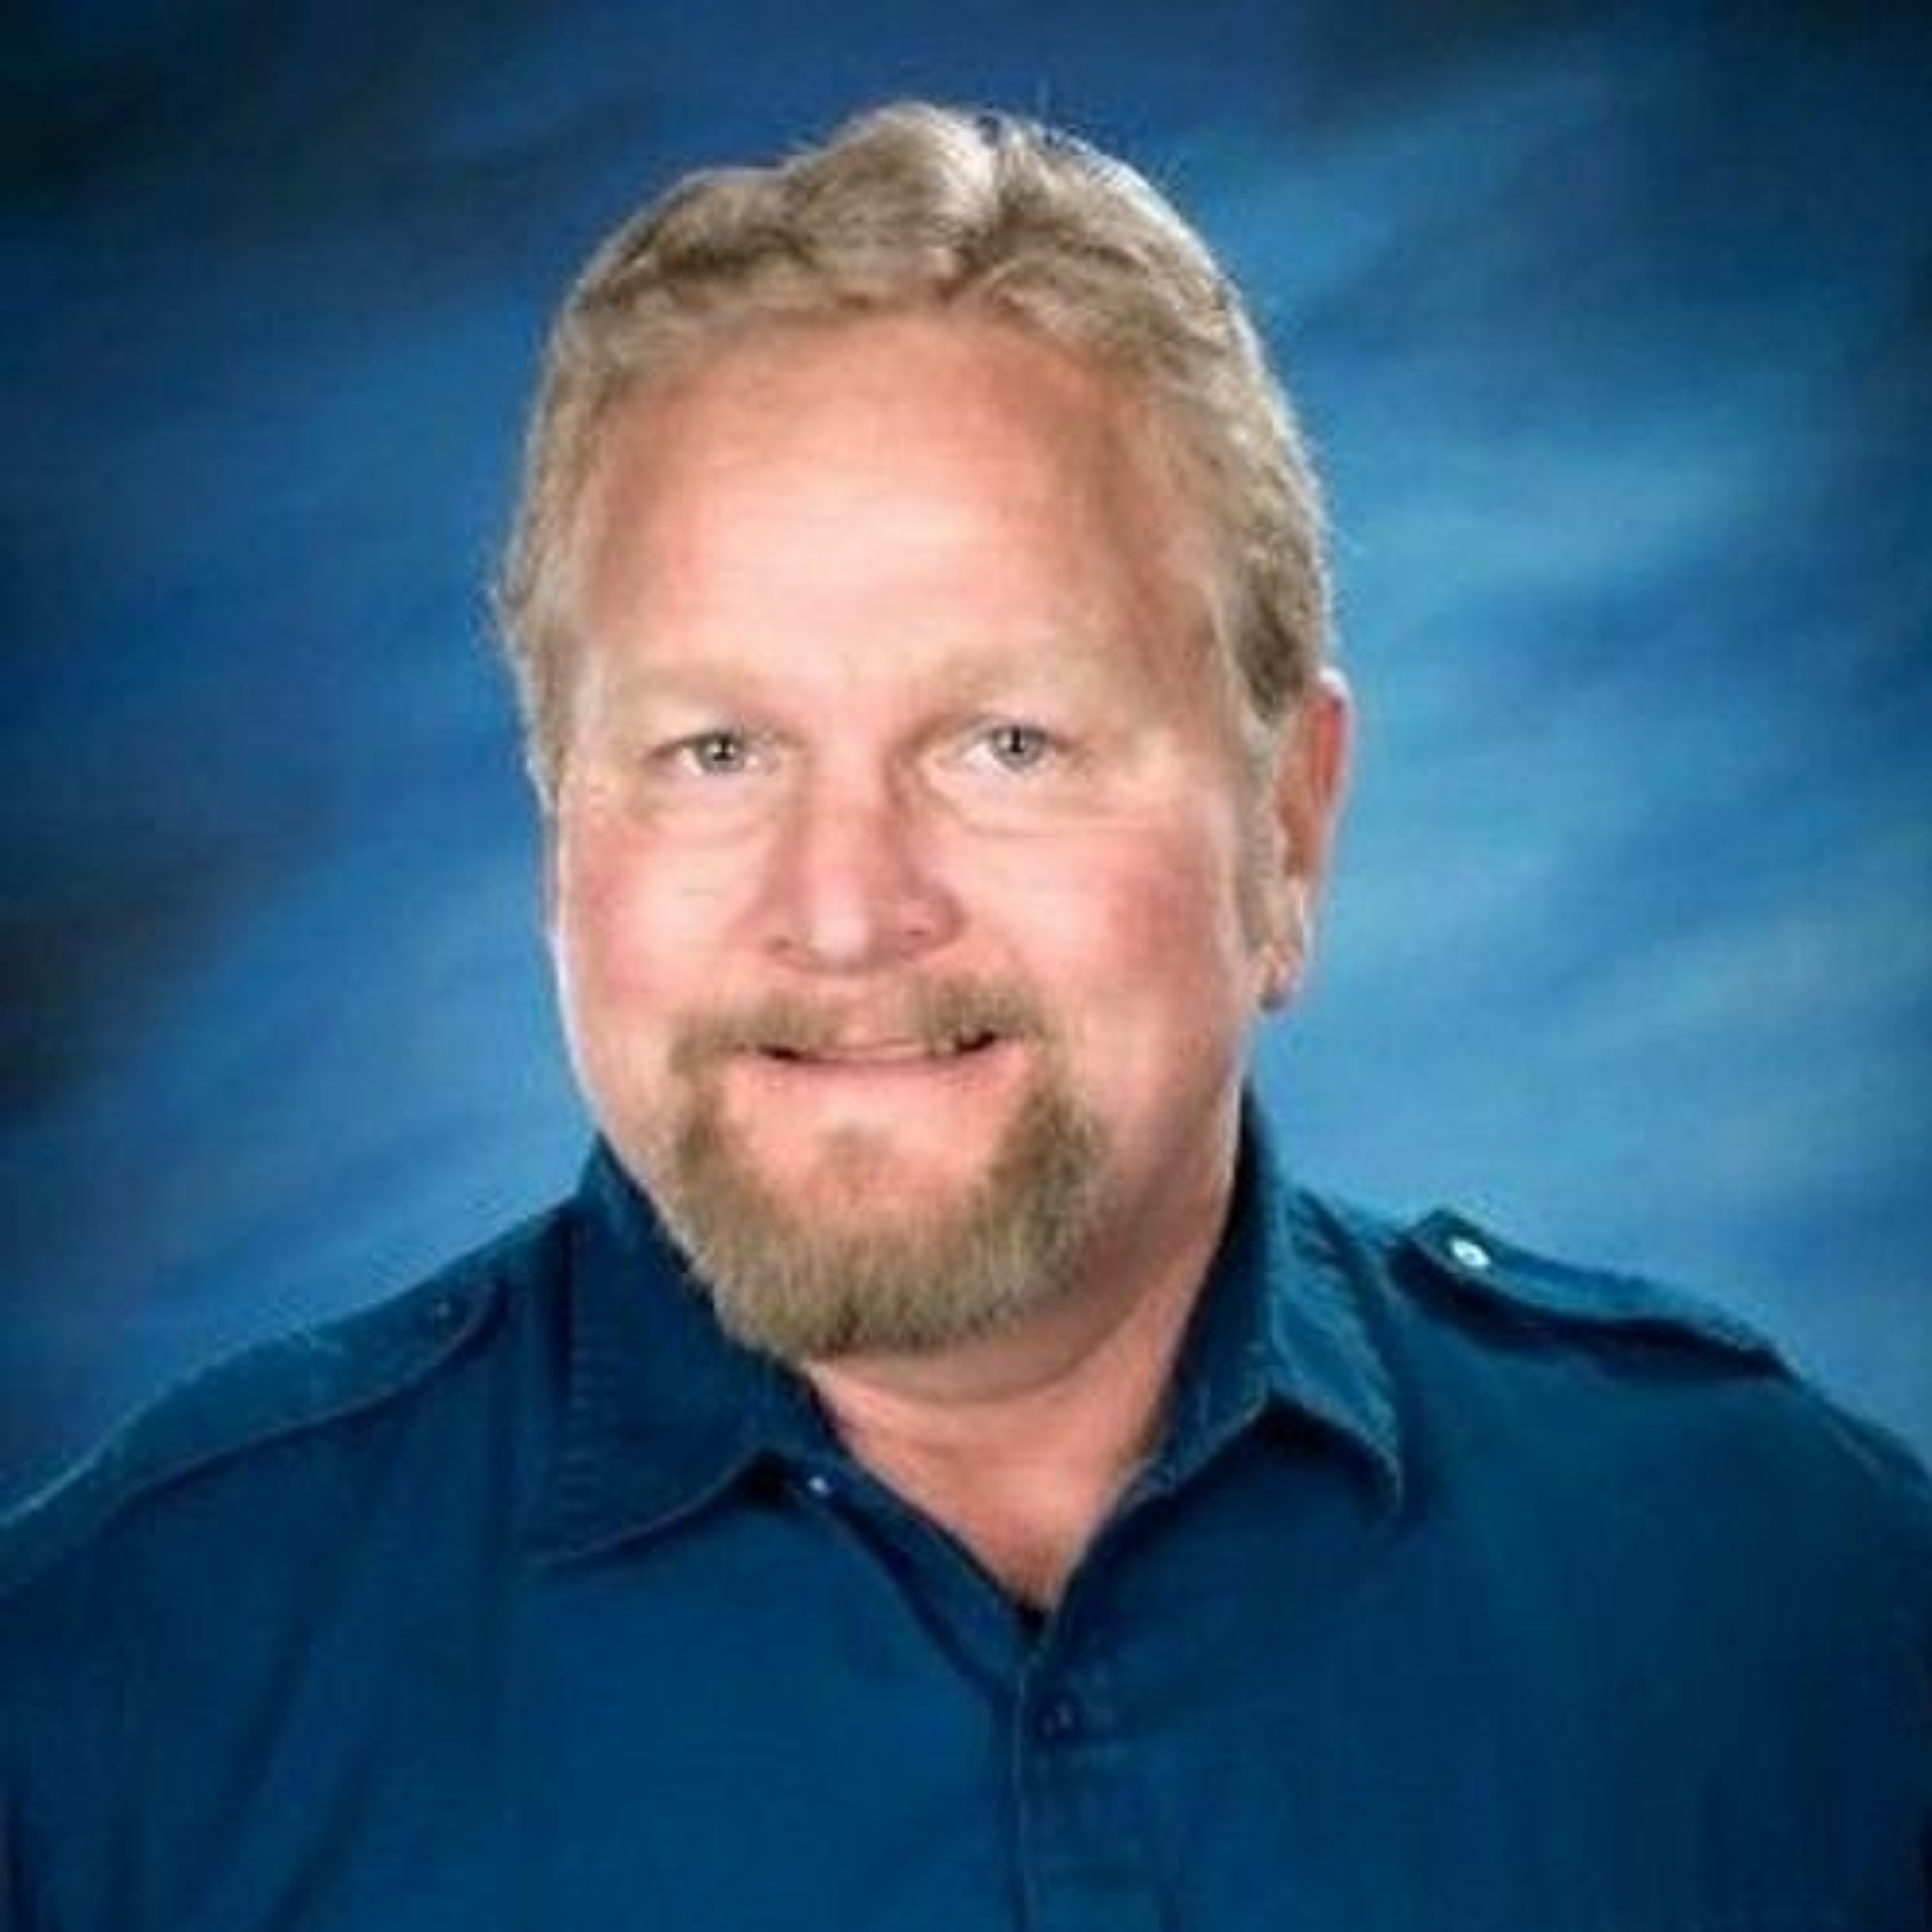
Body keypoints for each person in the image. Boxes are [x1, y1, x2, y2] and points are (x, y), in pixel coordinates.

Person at [2, 101, 1925, 1932]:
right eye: (716, 749)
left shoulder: (1788, 1606)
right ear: (560, 834)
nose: (846, 911)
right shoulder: (120, 1705)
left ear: (1289, 827)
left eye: (1007, 742)